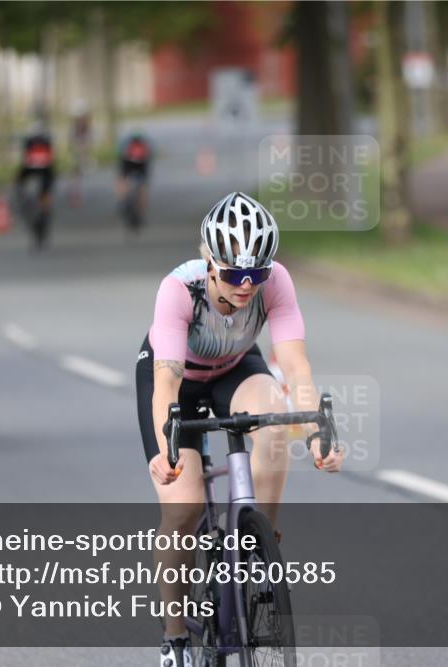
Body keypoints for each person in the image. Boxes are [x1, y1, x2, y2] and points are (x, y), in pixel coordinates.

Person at [135, 192, 342, 665]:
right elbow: (165, 379)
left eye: (257, 274)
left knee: (273, 415)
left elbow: (296, 366)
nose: (247, 285)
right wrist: (165, 448)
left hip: (233, 367)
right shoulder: (178, 290)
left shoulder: (276, 283)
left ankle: (258, 541)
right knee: (183, 510)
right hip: (177, 379)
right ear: (209, 261)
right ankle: (175, 640)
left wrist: (316, 435)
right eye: (234, 275)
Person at [15, 122, 55, 248]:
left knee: (44, 201)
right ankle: (38, 214)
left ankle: (44, 216)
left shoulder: (44, 146)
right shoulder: (31, 146)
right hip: (34, 174)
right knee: (30, 199)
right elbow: (24, 166)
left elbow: (49, 165)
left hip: (44, 175)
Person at [115, 131, 152, 230]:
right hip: (131, 165)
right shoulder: (135, 147)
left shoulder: (134, 147)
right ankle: (125, 201)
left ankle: (125, 202)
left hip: (137, 165)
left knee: (140, 187)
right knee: (140, 187)